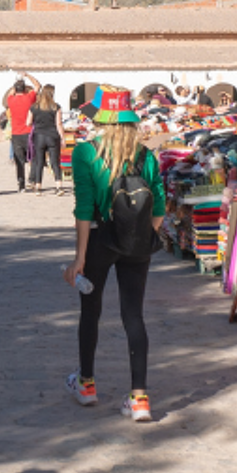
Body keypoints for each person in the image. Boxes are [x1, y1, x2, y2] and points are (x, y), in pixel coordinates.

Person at [61, 88, 165, 422]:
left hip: (99, 241)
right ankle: (139, 398)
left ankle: (86, 384)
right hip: (137, 243)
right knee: (133, 315)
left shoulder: (85, 153)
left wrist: (79, 257)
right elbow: (159, 206)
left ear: (101, 120)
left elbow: (84, 210)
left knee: (90, 312)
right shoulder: (146, 156)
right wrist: (144, 236)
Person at [28, 84, 66, 195]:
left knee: (39, 162)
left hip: (39, 136)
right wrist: (63, 138)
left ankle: (38, 187)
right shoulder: (56, 107)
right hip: (53, 136)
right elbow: (58, 124)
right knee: (55, 162)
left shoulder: (34, 107)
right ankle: (59, 186)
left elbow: (28, 122)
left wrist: (37, 123)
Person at [4, 79, 37, 192]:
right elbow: (38, 86)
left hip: (16, 133)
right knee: (34, 157)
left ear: (15, 89)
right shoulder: (29, 98)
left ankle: (21, 184)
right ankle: (32, 179)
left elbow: (10, 94)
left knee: (19, 161)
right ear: (25, 89)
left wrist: (13, 88)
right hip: (28, 132)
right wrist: (28, 76)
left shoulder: (11, 100)